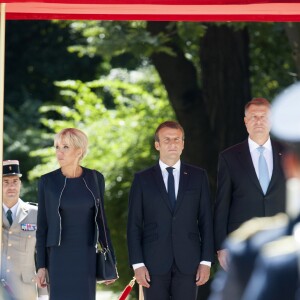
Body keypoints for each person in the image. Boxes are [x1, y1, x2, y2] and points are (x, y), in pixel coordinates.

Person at [127, 120, 214, 300]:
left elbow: (206, 221)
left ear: (183, 144)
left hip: (189, 262)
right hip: (152, 264)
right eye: (167, 140)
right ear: (157, 145)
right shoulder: (142, 179)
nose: (172, 144)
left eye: (177, 139)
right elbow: (134, 225)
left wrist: (206, 261)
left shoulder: (198, 177)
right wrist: (137, 264)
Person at [35, 128, 117, 300]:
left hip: (85, 255)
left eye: (65, 147)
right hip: (57, 257)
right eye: (57, 147)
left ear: (79, 151)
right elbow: (42, 227)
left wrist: (111, 262)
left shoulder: (95, 178)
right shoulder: (47, 181)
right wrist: (41, 266)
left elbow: (102, 223)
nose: (59, 152)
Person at [214, 97, 286, 270]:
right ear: (246, 122)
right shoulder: (229, 157)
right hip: (242, 241)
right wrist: (221, 246)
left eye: (264, 116)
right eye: (253, 116)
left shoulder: (288, 152)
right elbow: (222, 204)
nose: (259, 121)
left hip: (282, 239)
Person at [1, 160, 48, 300]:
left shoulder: (36, 213)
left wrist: (44, 294)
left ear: (20, 184)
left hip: (25, 290)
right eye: (6, 182)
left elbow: (43, 253)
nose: (11, 186)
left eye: (15, 181)